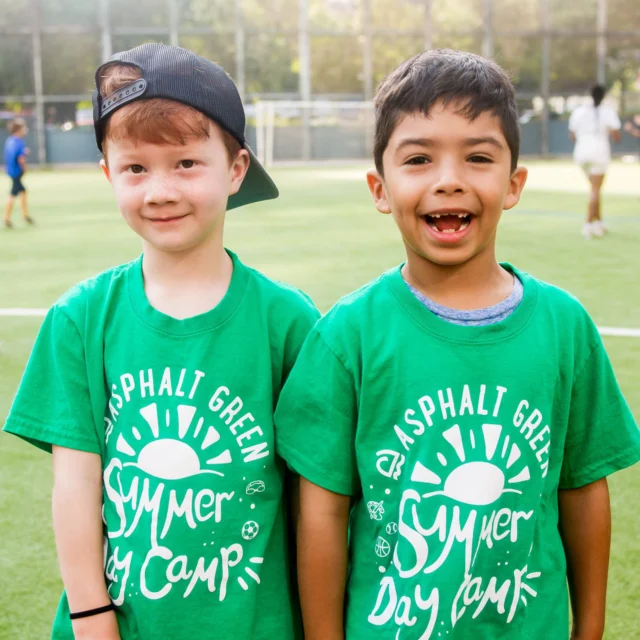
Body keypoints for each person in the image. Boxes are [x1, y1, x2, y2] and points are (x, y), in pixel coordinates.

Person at [274, 49, 640, 640]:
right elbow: (321, 511)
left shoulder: (565, 327)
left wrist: (589, 630)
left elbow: (583, 489)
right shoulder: (348, 336)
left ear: (514, 183)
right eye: (418, 158)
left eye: (477, 157)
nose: (450, 179)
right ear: (380, 188)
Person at [3, 43, 319, 639]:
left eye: (186, 164)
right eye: (135, 168)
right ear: (108, 174)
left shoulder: (287, 320)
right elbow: (75, 487)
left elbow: (314, 498)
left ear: (235, 168)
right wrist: (92, 619)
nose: (159, 191)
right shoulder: (80, 318)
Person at [568, 85, 621, 239]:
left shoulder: (579, 111)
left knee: (594, 189)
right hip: (599, 152)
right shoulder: (608, 110)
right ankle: (588, 224)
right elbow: (617, 135)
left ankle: (599, 223)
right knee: (595, 190)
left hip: (581, 153)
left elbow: (572, 135)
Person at [3, 117, 34, 229]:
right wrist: (24, 169)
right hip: (16, 172)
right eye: (23, 128)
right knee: (13, 194)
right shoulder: (19, 142)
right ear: (18, 129)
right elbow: (20, 159)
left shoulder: (9, 140)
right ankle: (6, 219)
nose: (25, 130)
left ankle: (25, 216)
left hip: (10, 171)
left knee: (23, 192)